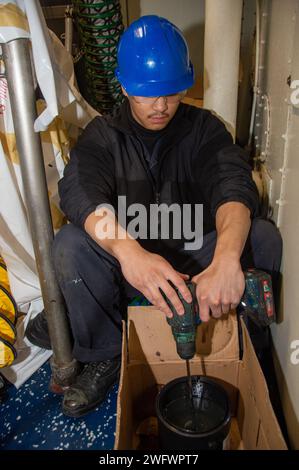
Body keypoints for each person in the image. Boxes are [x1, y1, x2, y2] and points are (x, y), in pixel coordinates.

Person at [26, 15, 282, 417]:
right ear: (125, 85)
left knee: (263, 236)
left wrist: (227, 259)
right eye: (148, 94)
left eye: (172, 93)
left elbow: (234, 186)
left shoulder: (205, 130)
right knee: (71, 245)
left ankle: (244, 342)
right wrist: (131, 255)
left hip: (196, 257)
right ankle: (104, 353)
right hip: (132, 263)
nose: (161, 106)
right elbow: (79, 194)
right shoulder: (102, 137)